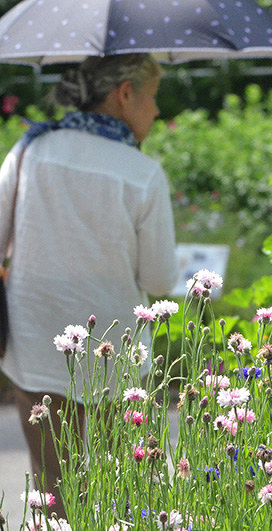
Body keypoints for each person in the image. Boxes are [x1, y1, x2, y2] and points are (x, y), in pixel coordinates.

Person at [0, 54, 178, 518]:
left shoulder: (30, 150)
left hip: (36, 345)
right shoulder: (142, 174)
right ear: (125, 94)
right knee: (120, 485)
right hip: (114, 355)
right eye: (153, 97)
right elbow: (159, 280)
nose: (156, 111)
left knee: (50, 483)